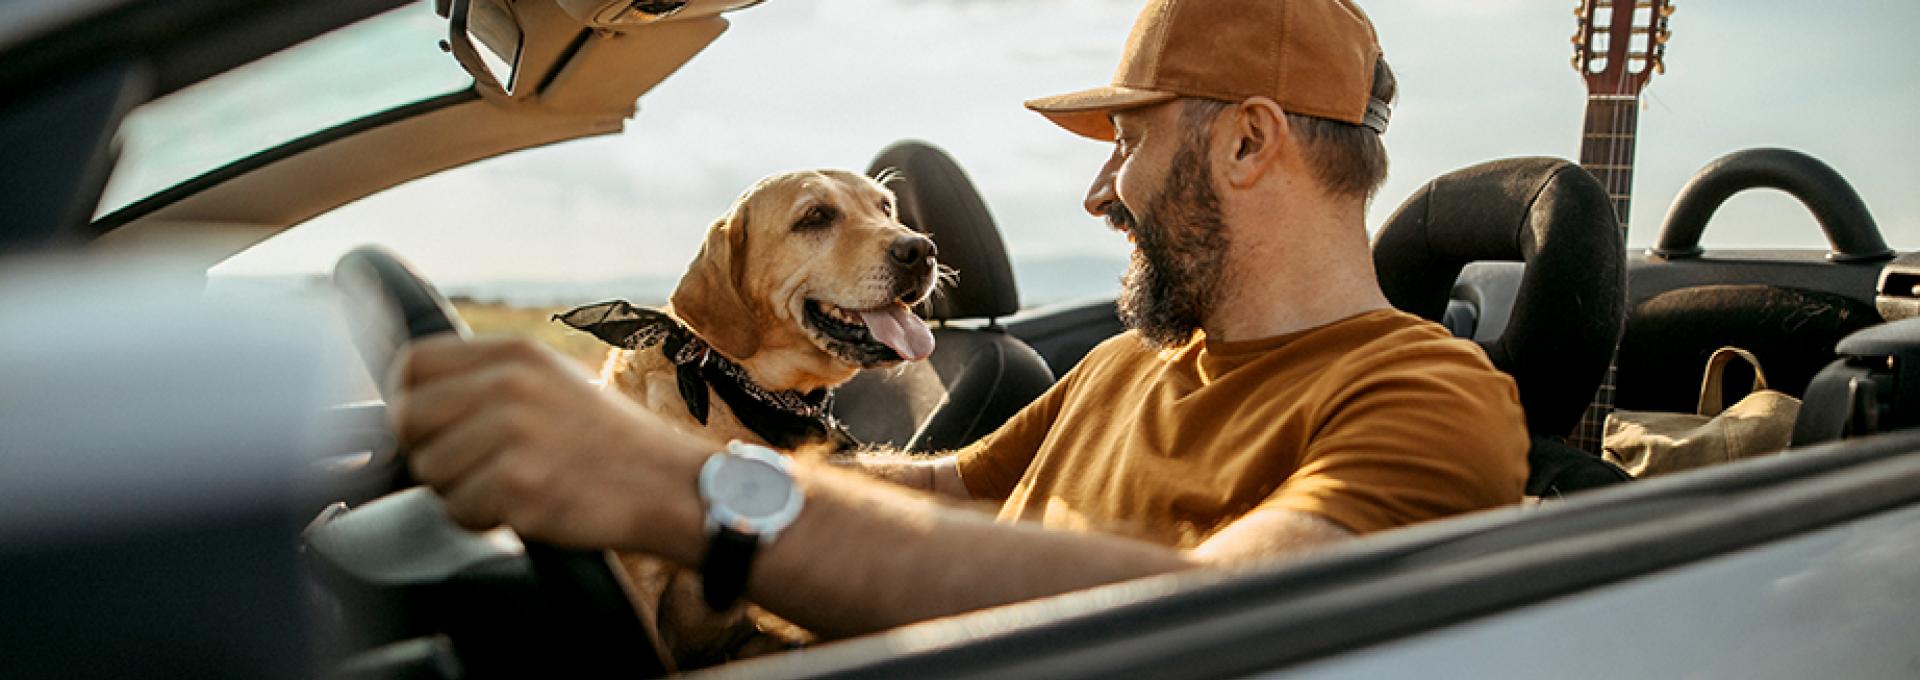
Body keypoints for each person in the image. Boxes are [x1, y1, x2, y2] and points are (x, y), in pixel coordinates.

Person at [394, 0, 1528, 642]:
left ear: (1246, 142)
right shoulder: (1135, 364)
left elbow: (1221, 620)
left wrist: (682, 497)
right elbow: (952, 488)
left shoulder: (1427, 393)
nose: (1098, 193)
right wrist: (684, 469)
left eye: (1127, 145)